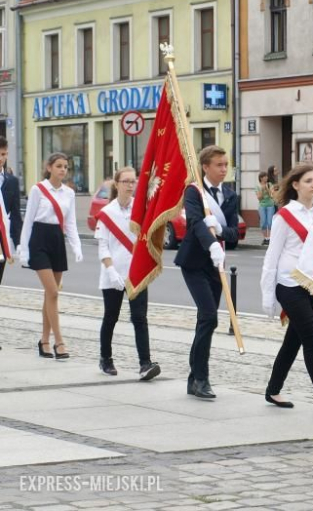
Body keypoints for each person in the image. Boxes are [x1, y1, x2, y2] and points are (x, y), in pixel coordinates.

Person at [261, 164, 313, 416]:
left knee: (293, 341)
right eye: (308, 180)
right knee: (311, 336)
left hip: (312, 286)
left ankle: (273, 389)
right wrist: (268, 294)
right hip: (289, 285)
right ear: (296, 185)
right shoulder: (284, 217)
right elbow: (271, 258)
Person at [175, 145, 240, 399]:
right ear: (205, 167)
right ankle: (201, 378)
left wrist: (221, 233)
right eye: (219, 165)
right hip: (194, 262)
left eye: (226, 165)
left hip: (217, 264)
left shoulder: (231, 195)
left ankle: (194, 377)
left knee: (206, 321)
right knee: (209, 316)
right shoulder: (194, 192)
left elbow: (234, 234)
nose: (224, 169)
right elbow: (194, 222)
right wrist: (211, 243)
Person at [95, 167, 161, 381]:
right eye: (126, 181)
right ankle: (106, 358)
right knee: (111, 317)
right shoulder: (107, 213)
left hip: (136, 273)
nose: (130, 185)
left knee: (140, 318)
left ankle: (145, 363)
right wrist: (111, 270)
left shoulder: (140, 209)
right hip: (112, 273)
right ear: (117, 184)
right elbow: (103, 246)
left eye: (133, 181)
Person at [19, 153, 83, 359]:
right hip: (39, 239)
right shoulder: (38, 189)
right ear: (49, 168)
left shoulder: (69, 194)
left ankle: (44, 341)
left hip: (57, 240)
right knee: (53, 292)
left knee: (50, 295)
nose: (63, 170)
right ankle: (59, 342)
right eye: (58, 166)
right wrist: (24, 250)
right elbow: (28, 220)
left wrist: (77, 246)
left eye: (66, 167)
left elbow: (71, 223)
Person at [0, 136, 22, 286]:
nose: (2, 158)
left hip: (2, 239)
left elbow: (15, 214)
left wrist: (19, 242)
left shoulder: (12, 181)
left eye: (4, 154)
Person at [255, 171, 275, 245]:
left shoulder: (270, 185)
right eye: (264, 177)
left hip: (270, 205)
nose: (266, 178)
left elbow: (272, 196)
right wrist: (262, 190)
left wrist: (267, 189)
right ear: (261, 178)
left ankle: (269, 238)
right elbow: (259, 198)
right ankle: (265, 238)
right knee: (263, 223)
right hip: (262, 206)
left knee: (270, 222)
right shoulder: (257, 187)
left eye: (267, 176)